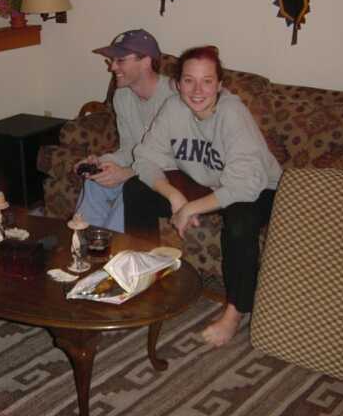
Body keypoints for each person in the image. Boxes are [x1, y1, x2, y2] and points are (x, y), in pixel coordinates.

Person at [123, 46, 282, 346]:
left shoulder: (232, 114)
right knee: (136, 190)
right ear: (177, 83)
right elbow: (144, 159)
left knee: (240, 221)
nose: (197, 90)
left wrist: (192, 207)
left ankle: (235, 312)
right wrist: (174, 197)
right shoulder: (173, 107)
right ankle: (144, 276)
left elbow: (245, 185)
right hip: (207, 183)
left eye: (207, 81)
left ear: (219, 85)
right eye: (189, 80)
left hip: (259, 189)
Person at [74, 29, 175, 232]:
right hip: (140, 169)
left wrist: (127, 173)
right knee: (95, 182)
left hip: (170, 178)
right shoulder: (122, 96)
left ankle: (116, 248)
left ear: (146, 61)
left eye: (120, 60)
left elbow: (178, 160)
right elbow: (130, 148)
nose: (112, 67)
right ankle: (85, 243)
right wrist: (102, 162)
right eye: (112, 60)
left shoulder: (174, 97)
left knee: (132, 190)